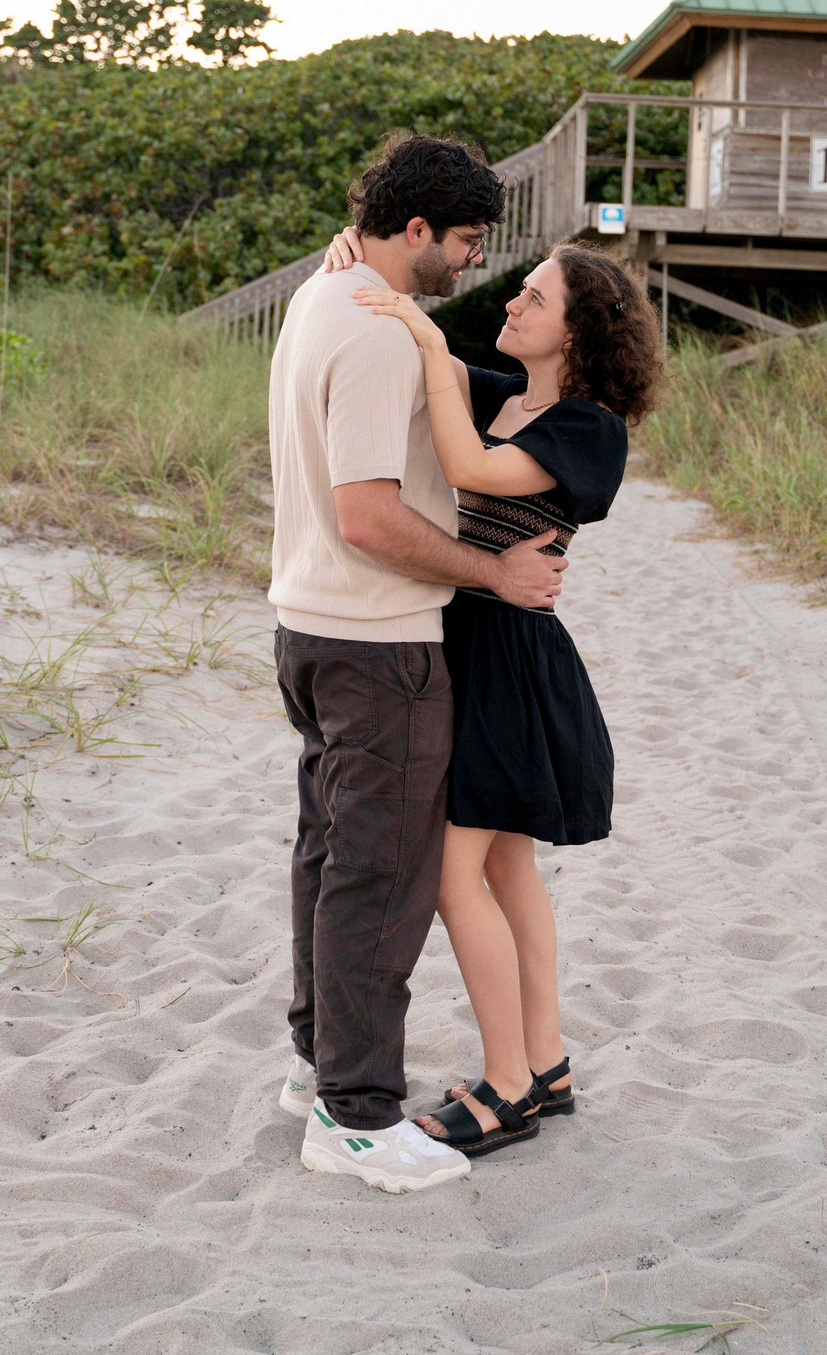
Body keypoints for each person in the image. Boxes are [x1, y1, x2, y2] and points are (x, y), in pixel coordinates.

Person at [268, 134, 571, 1195]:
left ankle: (319, 1064)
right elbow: (369, 518)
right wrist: (492, 574)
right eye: (465, 242)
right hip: (375, 638)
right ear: (414, 231)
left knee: (330, 852)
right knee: (382, 876)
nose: (471, 264)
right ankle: (353, 1115)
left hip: (308, 630)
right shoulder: (379, 336)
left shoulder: (325, 293)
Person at [323, 231, 663, 1160]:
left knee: (450, 873)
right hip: (474, 643)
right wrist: (352, 265)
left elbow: (471, 470)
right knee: (508, 869)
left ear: (579, 334)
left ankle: (508, 1086)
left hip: (512, 662)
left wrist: (431, 343)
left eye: (537, 299)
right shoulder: (504, 395)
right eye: (520, 290)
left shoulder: (588, 428)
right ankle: (545, 1064)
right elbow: (411, 369)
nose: (512, 302)